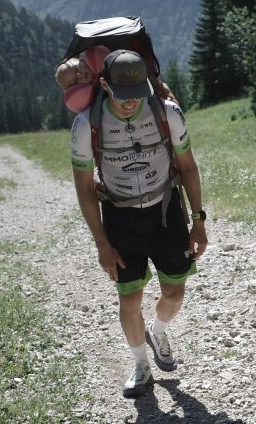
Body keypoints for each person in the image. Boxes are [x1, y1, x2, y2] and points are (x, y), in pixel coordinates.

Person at [70, 49, 208, 397]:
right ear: (104, 84)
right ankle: (141, 366)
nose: (131, 103)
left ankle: (158, 330)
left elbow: (188, 166)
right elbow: (84, 187)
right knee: (130, 299)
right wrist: (101, 242)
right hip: (120, 217)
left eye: (138, 96)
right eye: (122, 96)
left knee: (175, 293)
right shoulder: (87, 124)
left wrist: (198, 220)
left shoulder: (167, 112)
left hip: (166, 212)